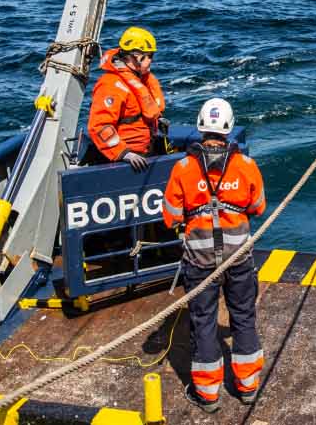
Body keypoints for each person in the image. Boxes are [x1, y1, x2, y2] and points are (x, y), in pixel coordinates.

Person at [162, 98, 267, 413]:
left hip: (199, 261)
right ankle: (248, 387)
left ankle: (207, 395)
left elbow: (170, 216)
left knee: (204, 322)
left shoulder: (182, 168)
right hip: (239, 258)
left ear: (199, 126)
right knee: (244, 318)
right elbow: (258, 207)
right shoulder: (246, 166)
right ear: (229, 128)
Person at [87, 26, 167, 170]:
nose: (151, 61)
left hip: (145, 151)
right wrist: (124, 153)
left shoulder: (141, 78)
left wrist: (158, 120)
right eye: (149, 56)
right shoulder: (110, 86)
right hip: (125, 160)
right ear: (135, 57)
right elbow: (99, 126)